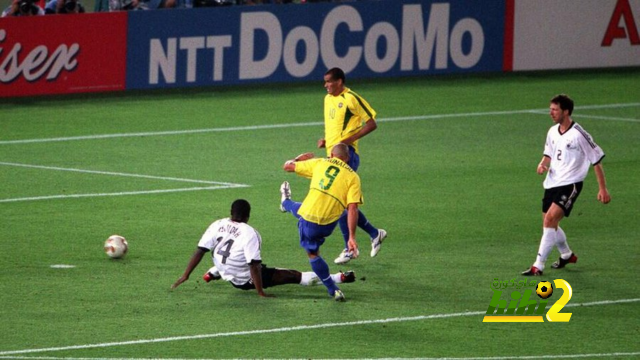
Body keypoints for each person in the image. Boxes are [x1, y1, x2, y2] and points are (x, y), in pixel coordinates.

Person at [172, 199, 355, 297]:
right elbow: (254, 266)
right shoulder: (250, 233)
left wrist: (186, 274)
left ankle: (214, 271)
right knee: (293, 276)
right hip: (244, 280)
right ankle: (338, 278)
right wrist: (260, 291)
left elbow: (200, 250)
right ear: (248, 215)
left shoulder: (217, 224)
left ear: (231, 212)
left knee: (227, 253)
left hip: (224, 266)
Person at [522, 94, 611, 276]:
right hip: (552, 182)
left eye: (555, 110)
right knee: (550, 223)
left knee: (550, 220)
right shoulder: (552, 131)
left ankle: (538, 265)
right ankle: (566, 254)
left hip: (571, 184)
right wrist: (543, 164)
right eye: (550, 109)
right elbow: (549, 153)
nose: (551, 113)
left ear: (566, 111)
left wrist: (602, 188)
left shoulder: (579, 134)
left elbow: (597, 160)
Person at [316, 67, 386, 265]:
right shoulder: (327, 99)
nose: (326, 85)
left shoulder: (351, 98)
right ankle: (374, 233)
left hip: (348, 156)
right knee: (342, 204)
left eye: (329, 81)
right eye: (325, 81)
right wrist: (327, 142)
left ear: (339, 81)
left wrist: (348, 141)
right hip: (333, 154)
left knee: (339, 204)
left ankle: (350, 247)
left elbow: (371, 123)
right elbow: (335, 127)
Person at [280, 143, 362, 301]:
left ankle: (333, 289)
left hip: (311, 219)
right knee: (332, 210)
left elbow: (287, 167)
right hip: (329, 224)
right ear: (348, 158)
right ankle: (285, 203)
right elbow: (353, 209)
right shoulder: (353, 177)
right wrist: (351, 237)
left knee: (313, 253)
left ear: (331, 154)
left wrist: (298, 159)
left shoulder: (320, 163)